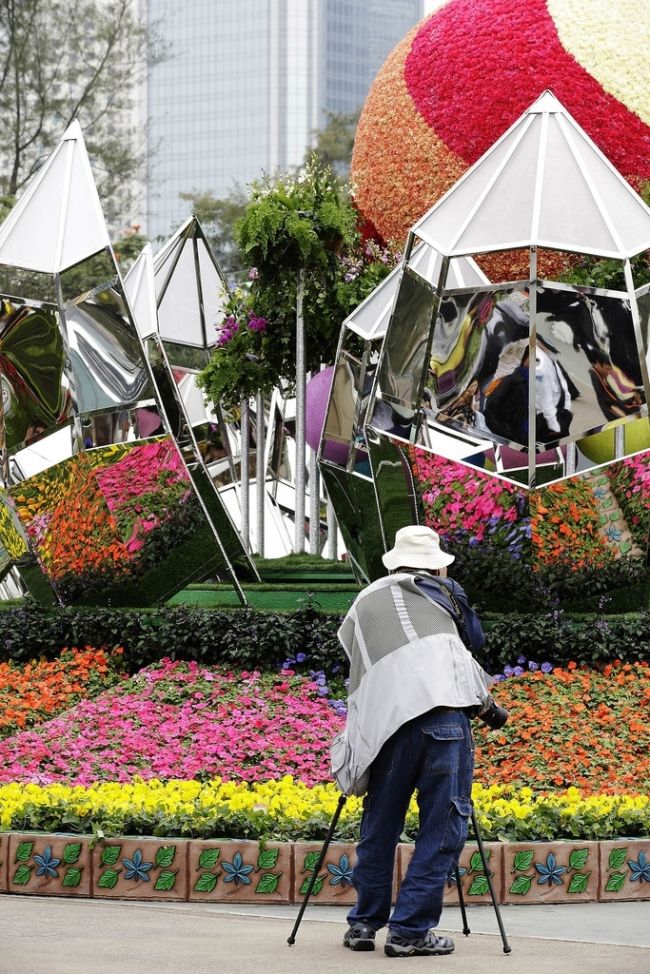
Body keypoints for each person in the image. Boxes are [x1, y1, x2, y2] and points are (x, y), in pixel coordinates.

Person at [332, 525, 494, 958]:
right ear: (436, 564)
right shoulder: (445, 594)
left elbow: (360, 659)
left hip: (387, 724)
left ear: (395, 562)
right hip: (444, 719)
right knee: (442, 827)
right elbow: (468, 650)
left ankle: (364, 923)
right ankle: (409, 931)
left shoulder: (365, 600)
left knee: (380, 824)